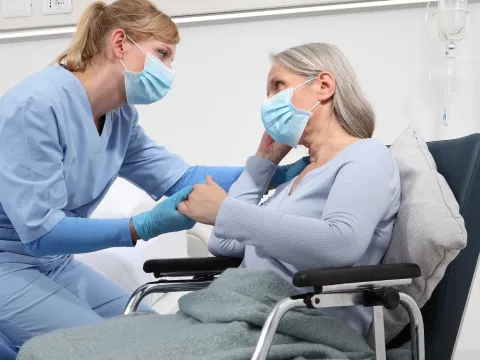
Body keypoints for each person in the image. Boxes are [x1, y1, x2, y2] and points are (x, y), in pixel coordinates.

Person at [17, 43, 402, 360]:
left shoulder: (365, 156)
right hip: (245, 314)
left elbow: (341, 243)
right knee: (45, 350)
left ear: (323, 85)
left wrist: (226, 211)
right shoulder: (302, 173)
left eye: (278, 85)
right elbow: (225, 243)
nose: (269, 101)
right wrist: (261, 166)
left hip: (300, 323)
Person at [0, 0, 306, 352]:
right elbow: (41, 233)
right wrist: (139, 227)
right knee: (111, 349)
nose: (169, 70)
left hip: (56, 264)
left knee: (157, 338)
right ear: (119, 44)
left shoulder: (119, 118)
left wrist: (273, 173)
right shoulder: (36, 106)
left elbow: (182, 178)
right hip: (7, 265)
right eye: (163, 54)